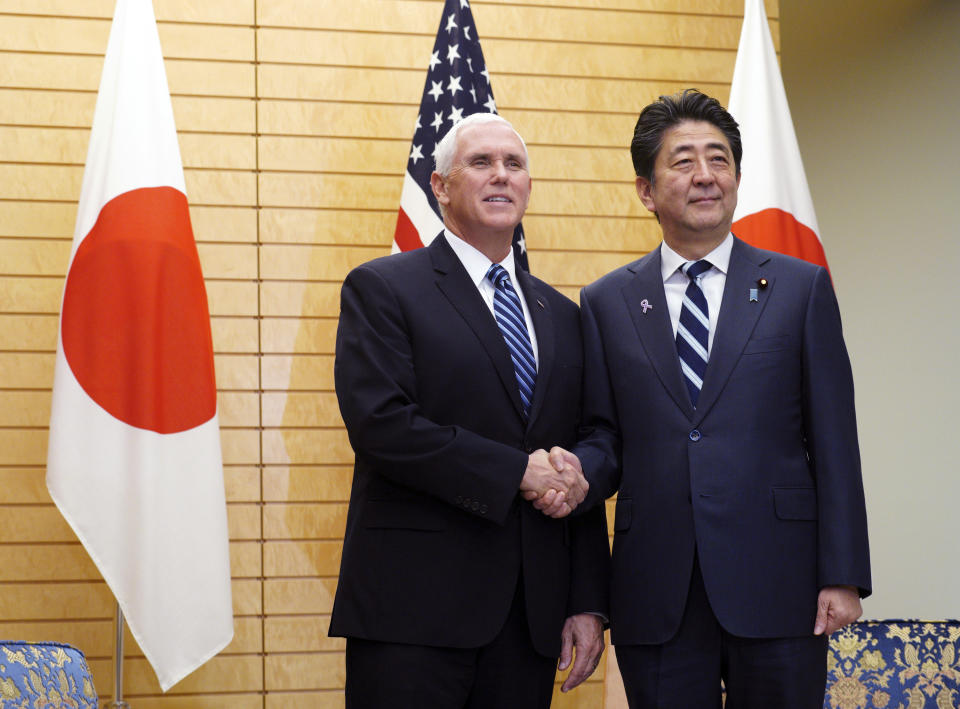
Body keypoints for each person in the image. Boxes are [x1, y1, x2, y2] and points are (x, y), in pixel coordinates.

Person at [538, 89, 871, 708]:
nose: (705, 176)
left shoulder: (800, 289)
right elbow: (605, 436)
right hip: (655, 590)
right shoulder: (606, 302)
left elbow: (834, 440)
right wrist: (579, 473)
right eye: (683, 160)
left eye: (719, 160)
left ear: (738, 177)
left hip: (782, 583)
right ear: (646, 189)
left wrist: (844, 573)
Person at [329, 112, 610, 708]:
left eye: (514, 164)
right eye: (481, 163)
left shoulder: (563, 315)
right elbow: (382, 426)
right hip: (413, 615)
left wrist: (587, 600)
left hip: (529, 620)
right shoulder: (382, 288)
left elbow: (583, 446)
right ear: (440, 185)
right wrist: (516, 471)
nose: (500, 176)